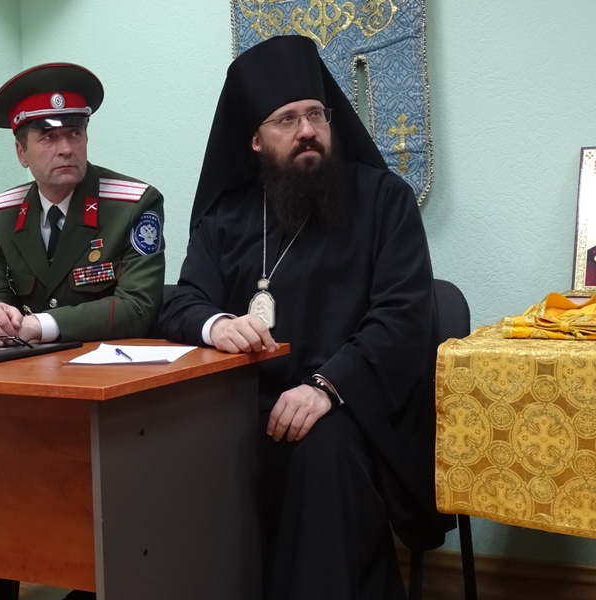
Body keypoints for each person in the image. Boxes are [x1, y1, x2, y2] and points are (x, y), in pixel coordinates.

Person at [158, 35, 450, 599]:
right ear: (254, 139)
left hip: (348, 406)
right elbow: (183, 301)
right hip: (243, 406)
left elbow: (402, 318)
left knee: (320, 452)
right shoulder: (226, 217)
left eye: (316, 115)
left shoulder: (384, 200)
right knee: (159, 449)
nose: (307, 130)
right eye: (286, 120)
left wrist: (327, 387)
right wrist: (217, 325)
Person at [0, 63, 165, 352]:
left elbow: (138, 307)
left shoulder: (132, 204)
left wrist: (38, 325)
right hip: (32, 366)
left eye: (74, 133)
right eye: (48, 137)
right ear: (22, 152)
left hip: (112, 364)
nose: (66, 149)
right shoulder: (4, 214)